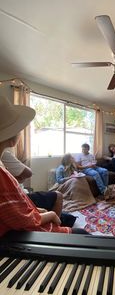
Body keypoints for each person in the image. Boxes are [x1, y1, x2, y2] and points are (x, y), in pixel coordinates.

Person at [0, 96, 88, 236]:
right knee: (83, 233)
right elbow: (22, 220)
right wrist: (51, 215)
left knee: (70, 218)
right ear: (11, 138)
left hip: (25, 219)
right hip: (25, 236)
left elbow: (17, 209)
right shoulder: (2, 177)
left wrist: (37, 211)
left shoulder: (3, 166)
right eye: (18, 129)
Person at [1, 150, 63, 217]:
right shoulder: (4, 154)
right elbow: (28, 173)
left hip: (20, 195)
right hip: (20, 197)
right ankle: (54, 226)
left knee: (69, 218)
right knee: (58, 196)